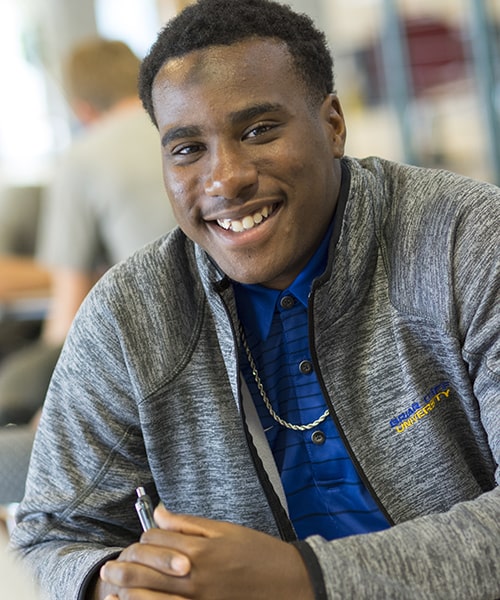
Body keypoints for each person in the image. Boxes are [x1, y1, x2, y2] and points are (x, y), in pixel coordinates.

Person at [10, 1, 499, 598]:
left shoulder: (466, 240)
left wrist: (305, 578)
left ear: (334, 125)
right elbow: (48, 537)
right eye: (187, 149)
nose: (225, 179)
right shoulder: (130, 315)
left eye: (258, 130)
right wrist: (108, 583)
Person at [0, 37, 177, 427]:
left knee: (16, 385)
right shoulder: (185, 124)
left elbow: (67, 315)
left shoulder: (83, 157)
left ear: (82, 110)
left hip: (151, 350)